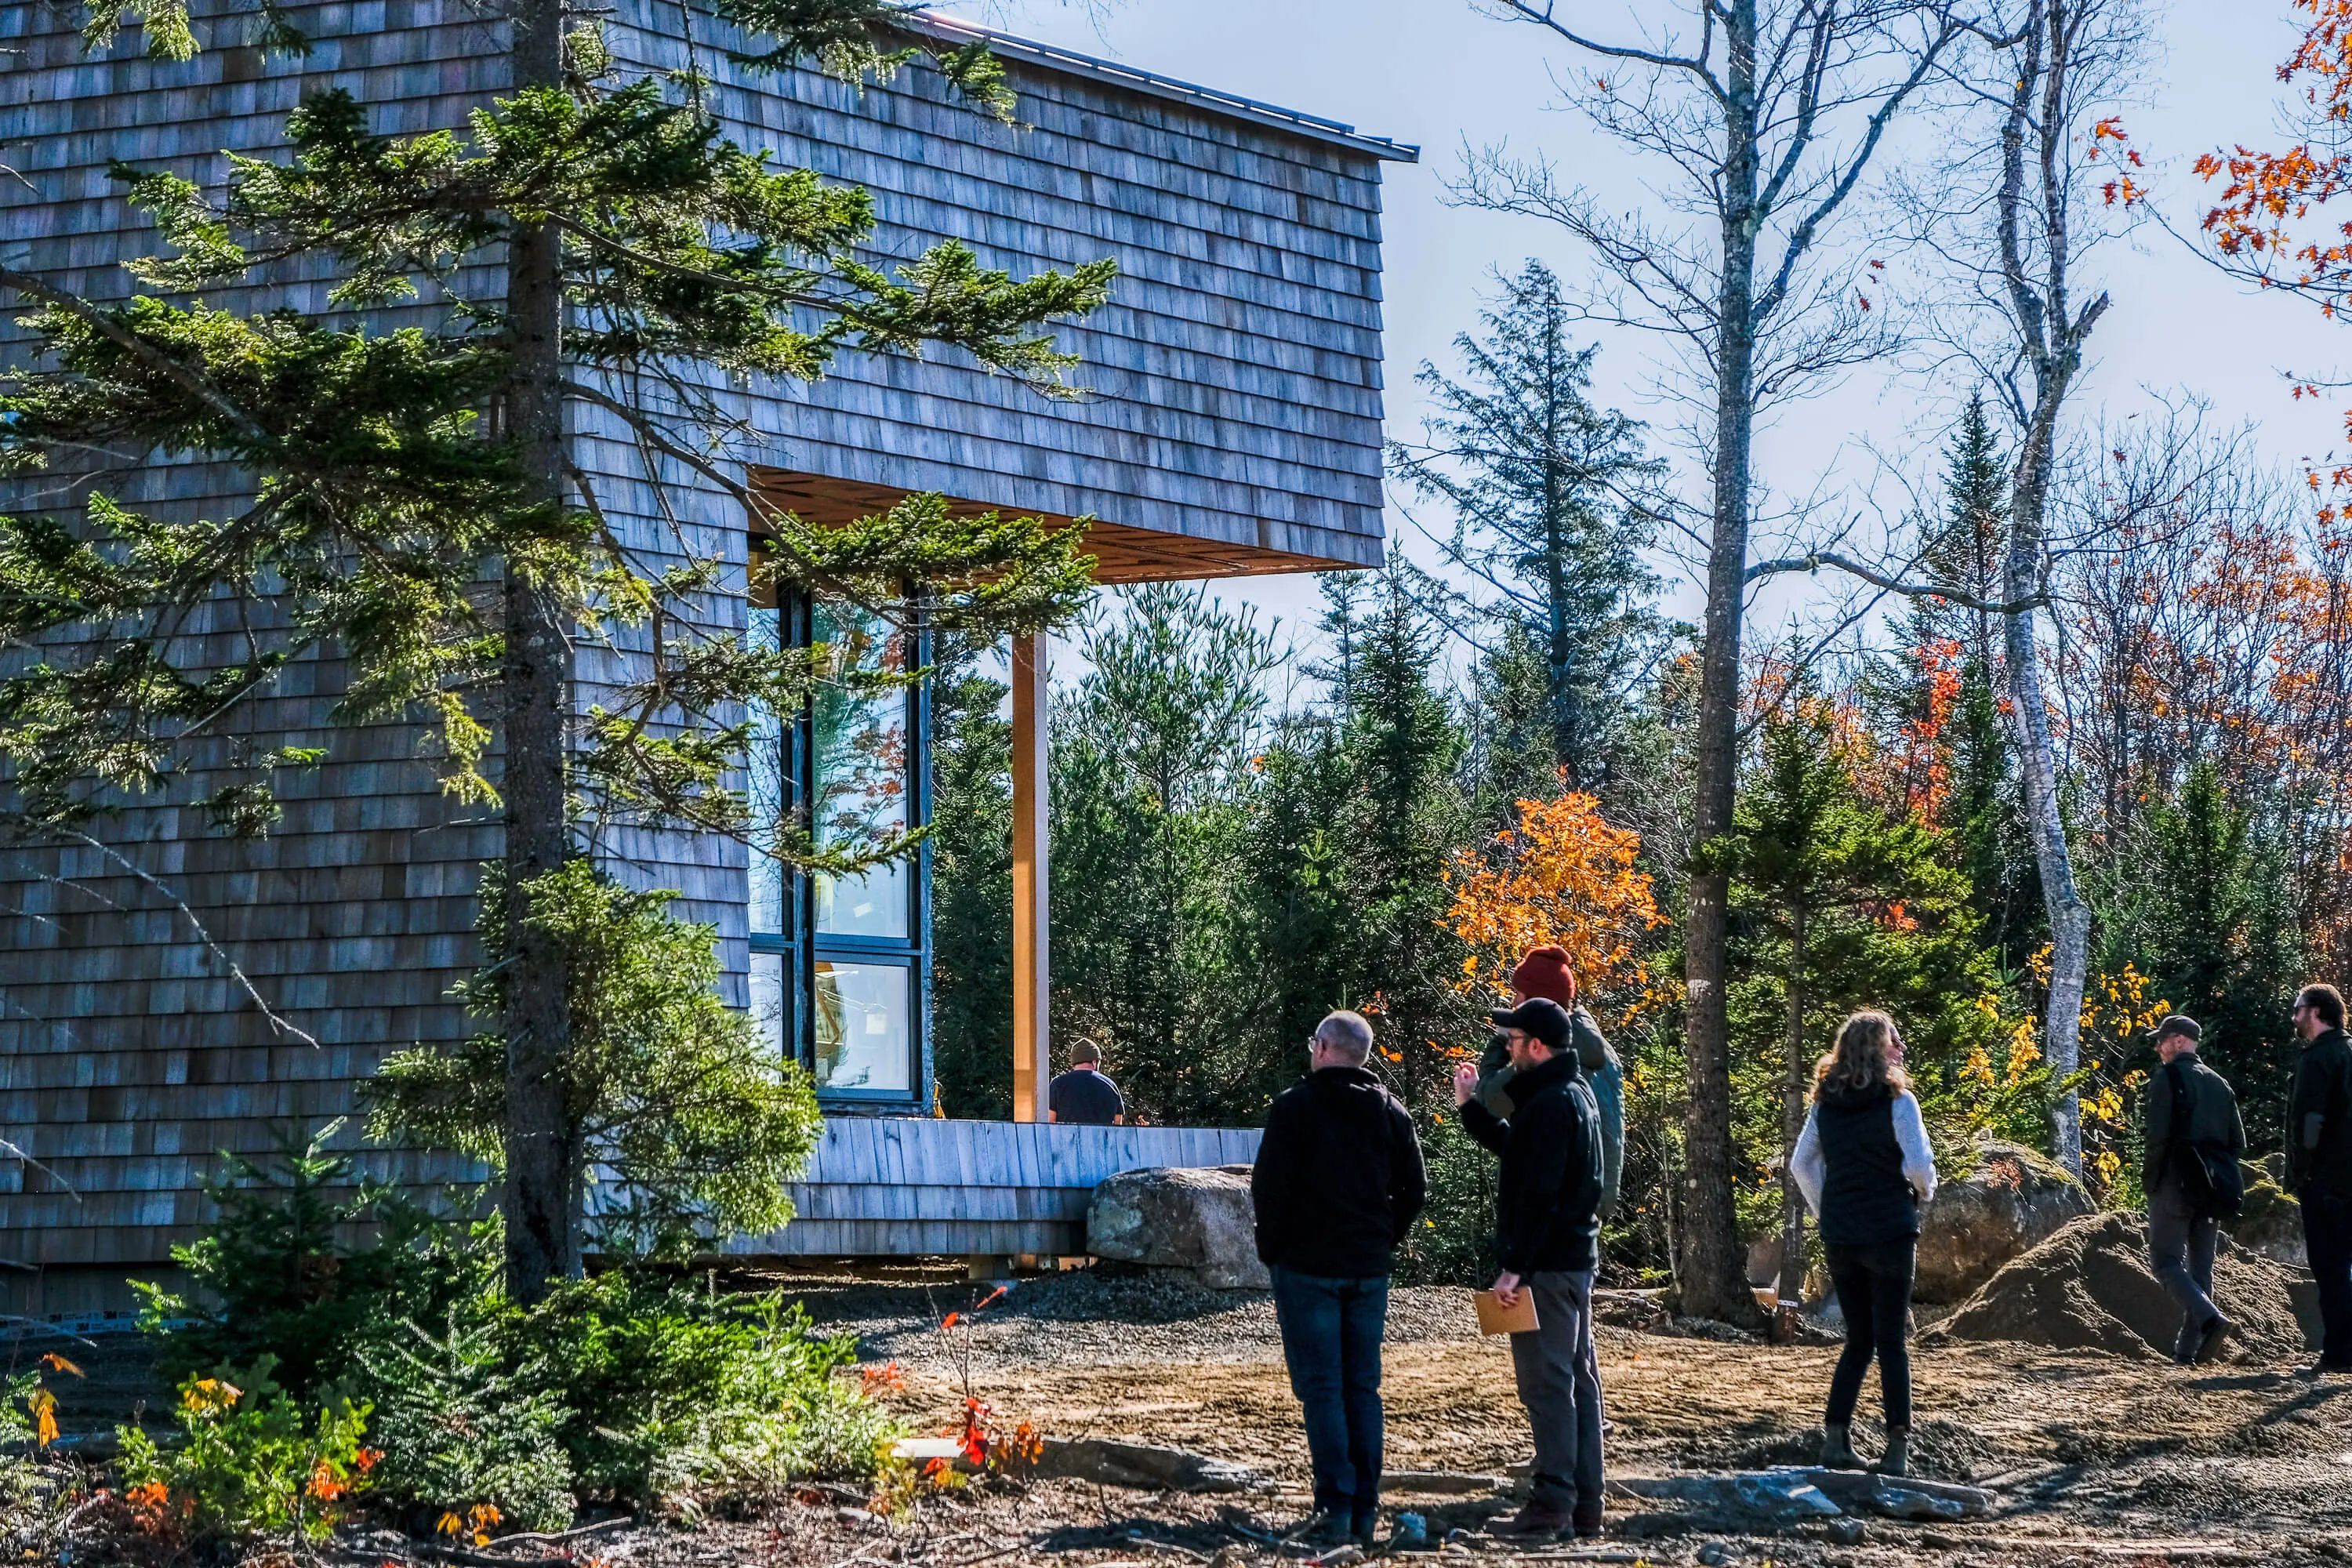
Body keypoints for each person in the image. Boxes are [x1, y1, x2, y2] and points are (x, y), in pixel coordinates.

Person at [1250, 1011, 1428, 1548]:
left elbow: (1268, 1188)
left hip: (1307, 1267)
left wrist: (1273, 1250)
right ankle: (1364, 1506)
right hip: (1366, 1267)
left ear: (1325, 1048)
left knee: (1323, 1387)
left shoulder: (1294, 1108)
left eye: (1313, 1043)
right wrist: (1382, 1239)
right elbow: (1414, 1190)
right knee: (1361, 1386)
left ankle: (1335, 1503)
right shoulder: (1391, 1113)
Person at [1452, 996, 1606, 1540]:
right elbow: (1520, 1154)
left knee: (1547, 1386)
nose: (1506, 1048)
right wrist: (1471, 1106)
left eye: (1513, 1041)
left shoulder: (1547, 1105)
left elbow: (1538, 1194)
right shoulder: (1572, 1094)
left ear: (1538, 1046)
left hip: (1544, 1269)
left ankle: (1551, 1506)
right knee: (1577, 1383)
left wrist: (1513, 1270)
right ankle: (1585, 1505)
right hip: (1572, 1264)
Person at [1790, 1010, 1936, 1478]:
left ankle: (1836, 1441)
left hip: (1842, 1235)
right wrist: (1925, 1190)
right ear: (1877, 1047)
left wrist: (1824, 1209)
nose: (1901, 1049)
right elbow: (1917, 1165)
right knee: (1892, 1341)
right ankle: (1896, 1451)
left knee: (1858, 1340)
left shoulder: (1824, 1104)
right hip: (1890, 1231)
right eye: (1895, 1041)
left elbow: (1801, 1164)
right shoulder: (1899, 1102)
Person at [1473, 946, 1626, 1219]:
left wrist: (1501, 1042)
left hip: (1551, 1206)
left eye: (1519, 995)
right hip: (1592, 1199)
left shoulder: (1544, 1055)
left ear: (1538, 1002)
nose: (1514, 1002)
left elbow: (1491, 1100)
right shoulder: (1603, 1051)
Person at [2141, 1014, 2246, 1366]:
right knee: (2202, 1270)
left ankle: (2212, 1319)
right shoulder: (2220, 1083)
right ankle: (2188, 1352)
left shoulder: (2167, 1077)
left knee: (2165, 1262)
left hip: (2173, 1181)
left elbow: (2157, 1136)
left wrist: (2151, 1181)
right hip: (2213, 1187)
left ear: (2181, 1041)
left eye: (2162, 1039)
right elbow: (2237, 1141)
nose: (2157, 1046)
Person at [2288, 982, 2352, 1374]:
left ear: (2315, 1011)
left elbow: (2310, 1121)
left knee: (2330, 1268)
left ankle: (2340, 1354)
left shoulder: (2317, 1059)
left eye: (2297, 1009)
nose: (2294, 1018)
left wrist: (2302, 1171)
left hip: (2328, 1180)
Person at [1047, 1040, 1124, 1125]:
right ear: (1094, 1062)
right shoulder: (1110, 1085)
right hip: (1102, 1138)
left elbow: (1050, 1122)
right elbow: (1118, 1123)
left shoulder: (1058, 1084)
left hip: (1067, 1137)